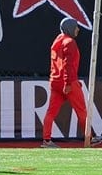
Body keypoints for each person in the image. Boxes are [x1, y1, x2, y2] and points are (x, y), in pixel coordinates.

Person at [41, 17, 98, 147]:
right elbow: (68, 65)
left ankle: (46, 140)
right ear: (70, 27)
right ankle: (90, 138)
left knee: (51, 112)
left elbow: (56, 64)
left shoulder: (56, 41)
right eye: (76, 27)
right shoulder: (69, 42)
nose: (78, 29)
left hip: (55, 81)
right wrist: (68, 83)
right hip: (69, 82)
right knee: (82, 111)